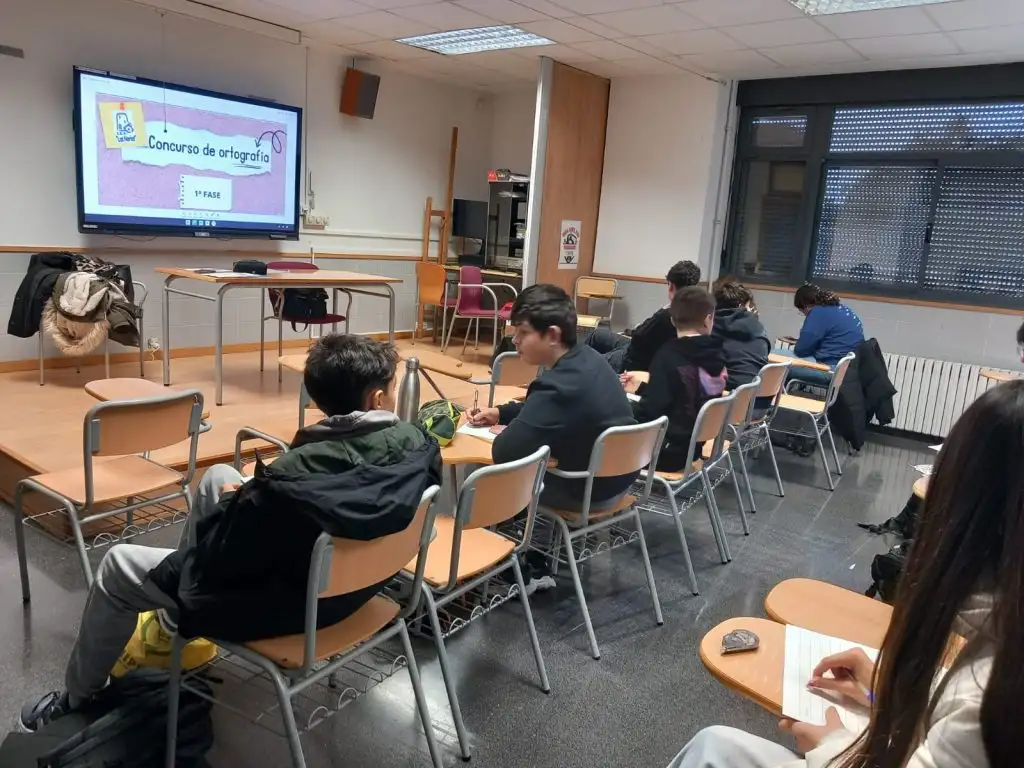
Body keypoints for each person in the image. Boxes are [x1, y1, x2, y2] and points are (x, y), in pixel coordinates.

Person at [20, 334, 441, 730]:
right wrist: (245, 498)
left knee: (116, 565)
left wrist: (238, 507)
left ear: (317, 399)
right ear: (377, 399)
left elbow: (226, 561)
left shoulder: (290, 476)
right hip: (362, 592)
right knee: (219, 476)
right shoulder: (419, 444)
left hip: (291, 608)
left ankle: (77, 700)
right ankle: (170, 626)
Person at [668, 380, 1024, 768]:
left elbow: (960, 725)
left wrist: (831, 745)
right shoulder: (997, 644)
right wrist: (883, 693)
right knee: (716, 744)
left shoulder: (988, 696)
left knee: (713, 749)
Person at [468, 283, 636, 512]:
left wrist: (512, 431)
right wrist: (501, 413)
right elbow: (547, 410)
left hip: (586, 491)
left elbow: (505, 453)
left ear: (553, 335)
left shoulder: (557, 386)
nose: (514, 340)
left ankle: (493, 533)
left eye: (523, 332)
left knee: (480, 470)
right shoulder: (591, 359)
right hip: (619, 480)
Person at [625, 286, 727, 472]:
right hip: (693, 448)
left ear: (672, 320)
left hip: (663, 453)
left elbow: (651, 413)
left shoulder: (668, 355)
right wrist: (641, 389)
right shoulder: (716, 354)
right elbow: (687, 395)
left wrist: (626, 407)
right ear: (708, 319)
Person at [583, 260, 703, 373]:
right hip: (641, 351)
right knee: (597, 335)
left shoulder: (666, 315)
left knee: (587, 363)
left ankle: (575, 366)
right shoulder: (697, 313)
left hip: (632, 360)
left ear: (671, 286)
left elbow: (638, 336)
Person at [777, 284, 864, 387]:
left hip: (829, 370)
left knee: (772, 358)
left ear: (806, 305)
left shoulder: (817, 313)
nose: (804, 315)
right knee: (780, 357)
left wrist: (804, 341)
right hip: (846, 371)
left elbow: (801, 351)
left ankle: (771, 394)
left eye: (802, 311)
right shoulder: (843, 309)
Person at [711, 277, 770, 391]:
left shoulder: (713, 325)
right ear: (741, 305)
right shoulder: (758, 327)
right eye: (749, 305)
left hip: (728, 393)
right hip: (758, 392)